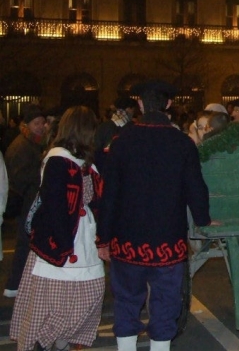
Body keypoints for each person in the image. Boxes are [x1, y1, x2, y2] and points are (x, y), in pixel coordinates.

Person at [98, 80, 211, 351]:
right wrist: (204, 219)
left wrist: (103, 237)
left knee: (127, 298)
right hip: (168, 239)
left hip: (128, 239)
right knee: (166, 299)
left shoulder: (121, 142)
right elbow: (196, 187)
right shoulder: (182, 143)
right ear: (169, 104)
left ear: (139, 104)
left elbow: (109, 193)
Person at [10, 106, 105, 351]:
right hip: (60, 245)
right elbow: (54, 207)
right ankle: (47, 344)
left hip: (81, 239)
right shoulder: (57, 160)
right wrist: (63, 245)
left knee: (85, 298)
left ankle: (60, 343)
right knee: (55, 307)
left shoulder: (84, 160)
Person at [4, 104, 47, 298]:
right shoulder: (23, 145)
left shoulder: (32, 142)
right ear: (26, 125)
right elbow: (19, 177)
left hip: (27, 201)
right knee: (24, 244)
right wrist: (41, 173)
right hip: (25, 203)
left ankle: (19, 283)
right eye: (36, 123)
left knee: (27, 244)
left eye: (42, 122)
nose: (40, 126)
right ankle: (14, 284)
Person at [94, 96, 139, 174]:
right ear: (128, 109)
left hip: (105, 170)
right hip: (125, 171)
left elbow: (96, 149)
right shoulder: (133, 128)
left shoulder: (103, 126)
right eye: (133, 110)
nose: (133, 113)